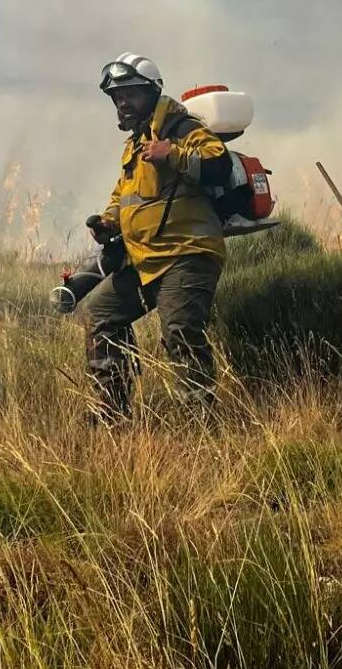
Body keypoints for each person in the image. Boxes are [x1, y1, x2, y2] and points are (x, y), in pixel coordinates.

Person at [82, 53, 232, 422]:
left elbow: (220, 165)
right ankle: (113, 410)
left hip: (187, 254)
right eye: (117, 97)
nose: (123, 103)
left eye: (130, 94)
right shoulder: (135, 145)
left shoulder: (182, 127)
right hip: (146, 260)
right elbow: (124, 196)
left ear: (151, 93)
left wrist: (173, 154)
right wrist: (108, 222)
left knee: (180, 331)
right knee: (101, 312)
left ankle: (200, 424)